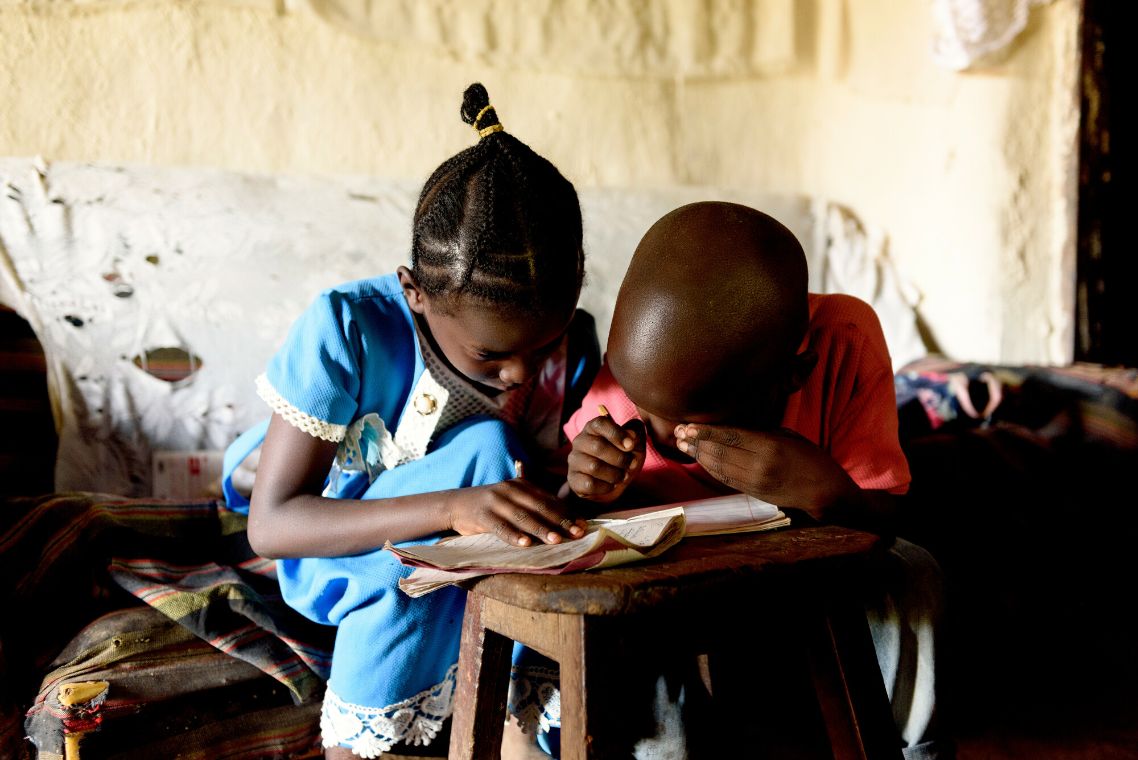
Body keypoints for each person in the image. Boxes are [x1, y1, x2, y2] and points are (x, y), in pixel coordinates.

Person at [220, 83, 601, 759]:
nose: (520, 374)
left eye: (542, 344)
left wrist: (589, 481)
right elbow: (273, 525)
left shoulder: (571, 348)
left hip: (467, 546)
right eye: (490, 355)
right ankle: (361, 744)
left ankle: (515, 721)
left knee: (492, 456)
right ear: (414, 292)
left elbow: (539, 509)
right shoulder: (348, 328)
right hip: (323, 538)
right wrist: (454, 506)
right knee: (485, 447)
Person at [512, 201, 948, 759]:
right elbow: (570, 507)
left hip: (807, 572)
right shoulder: (638, 363)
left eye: (687, 418)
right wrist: (584, 486)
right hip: (671, 584)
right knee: (636, 610)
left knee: (913, 573)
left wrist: (828, 492)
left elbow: (889, 517)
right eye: (638, 398)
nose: (654, 429)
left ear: (793, 376)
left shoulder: (842, 339)